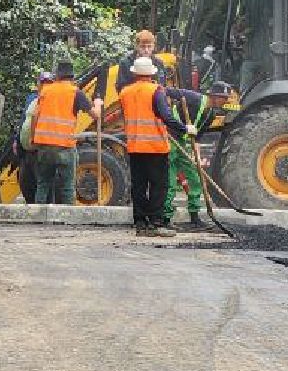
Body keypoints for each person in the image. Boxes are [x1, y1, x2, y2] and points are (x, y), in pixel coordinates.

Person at [115, 57, 187, 236]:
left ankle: (140, 222)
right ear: (152, 73)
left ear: (134, 73)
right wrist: (185, 128)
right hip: (155, 147)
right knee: (158, 185)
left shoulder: (125, 92)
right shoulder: (156, 91)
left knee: (138, 185)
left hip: (134, 146)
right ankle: (156, 221)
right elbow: (167, 117)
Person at [29, 60, 103, 205]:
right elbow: (95, 115)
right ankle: (68, 219)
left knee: (43, 184)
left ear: (57, 76)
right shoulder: (76, 93)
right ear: (72, 77)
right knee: (67, 187)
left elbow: (34, 116)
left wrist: (33, 139)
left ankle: (37, 217)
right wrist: (98, 103)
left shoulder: (46, 91)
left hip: (44, 145)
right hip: (64, 146)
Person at [158, 82, 214, 228]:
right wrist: (167, 113)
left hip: (184, 143)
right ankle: (165, 218)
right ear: (214, 96)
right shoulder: (193, 97)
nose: (225, 101)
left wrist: (197, 158)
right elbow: (165, 91)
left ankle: (195, 216)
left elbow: (198, 138)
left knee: (195, 177)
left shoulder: (211, 114)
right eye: (223, 98)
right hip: (170, 138)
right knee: (169, 180)